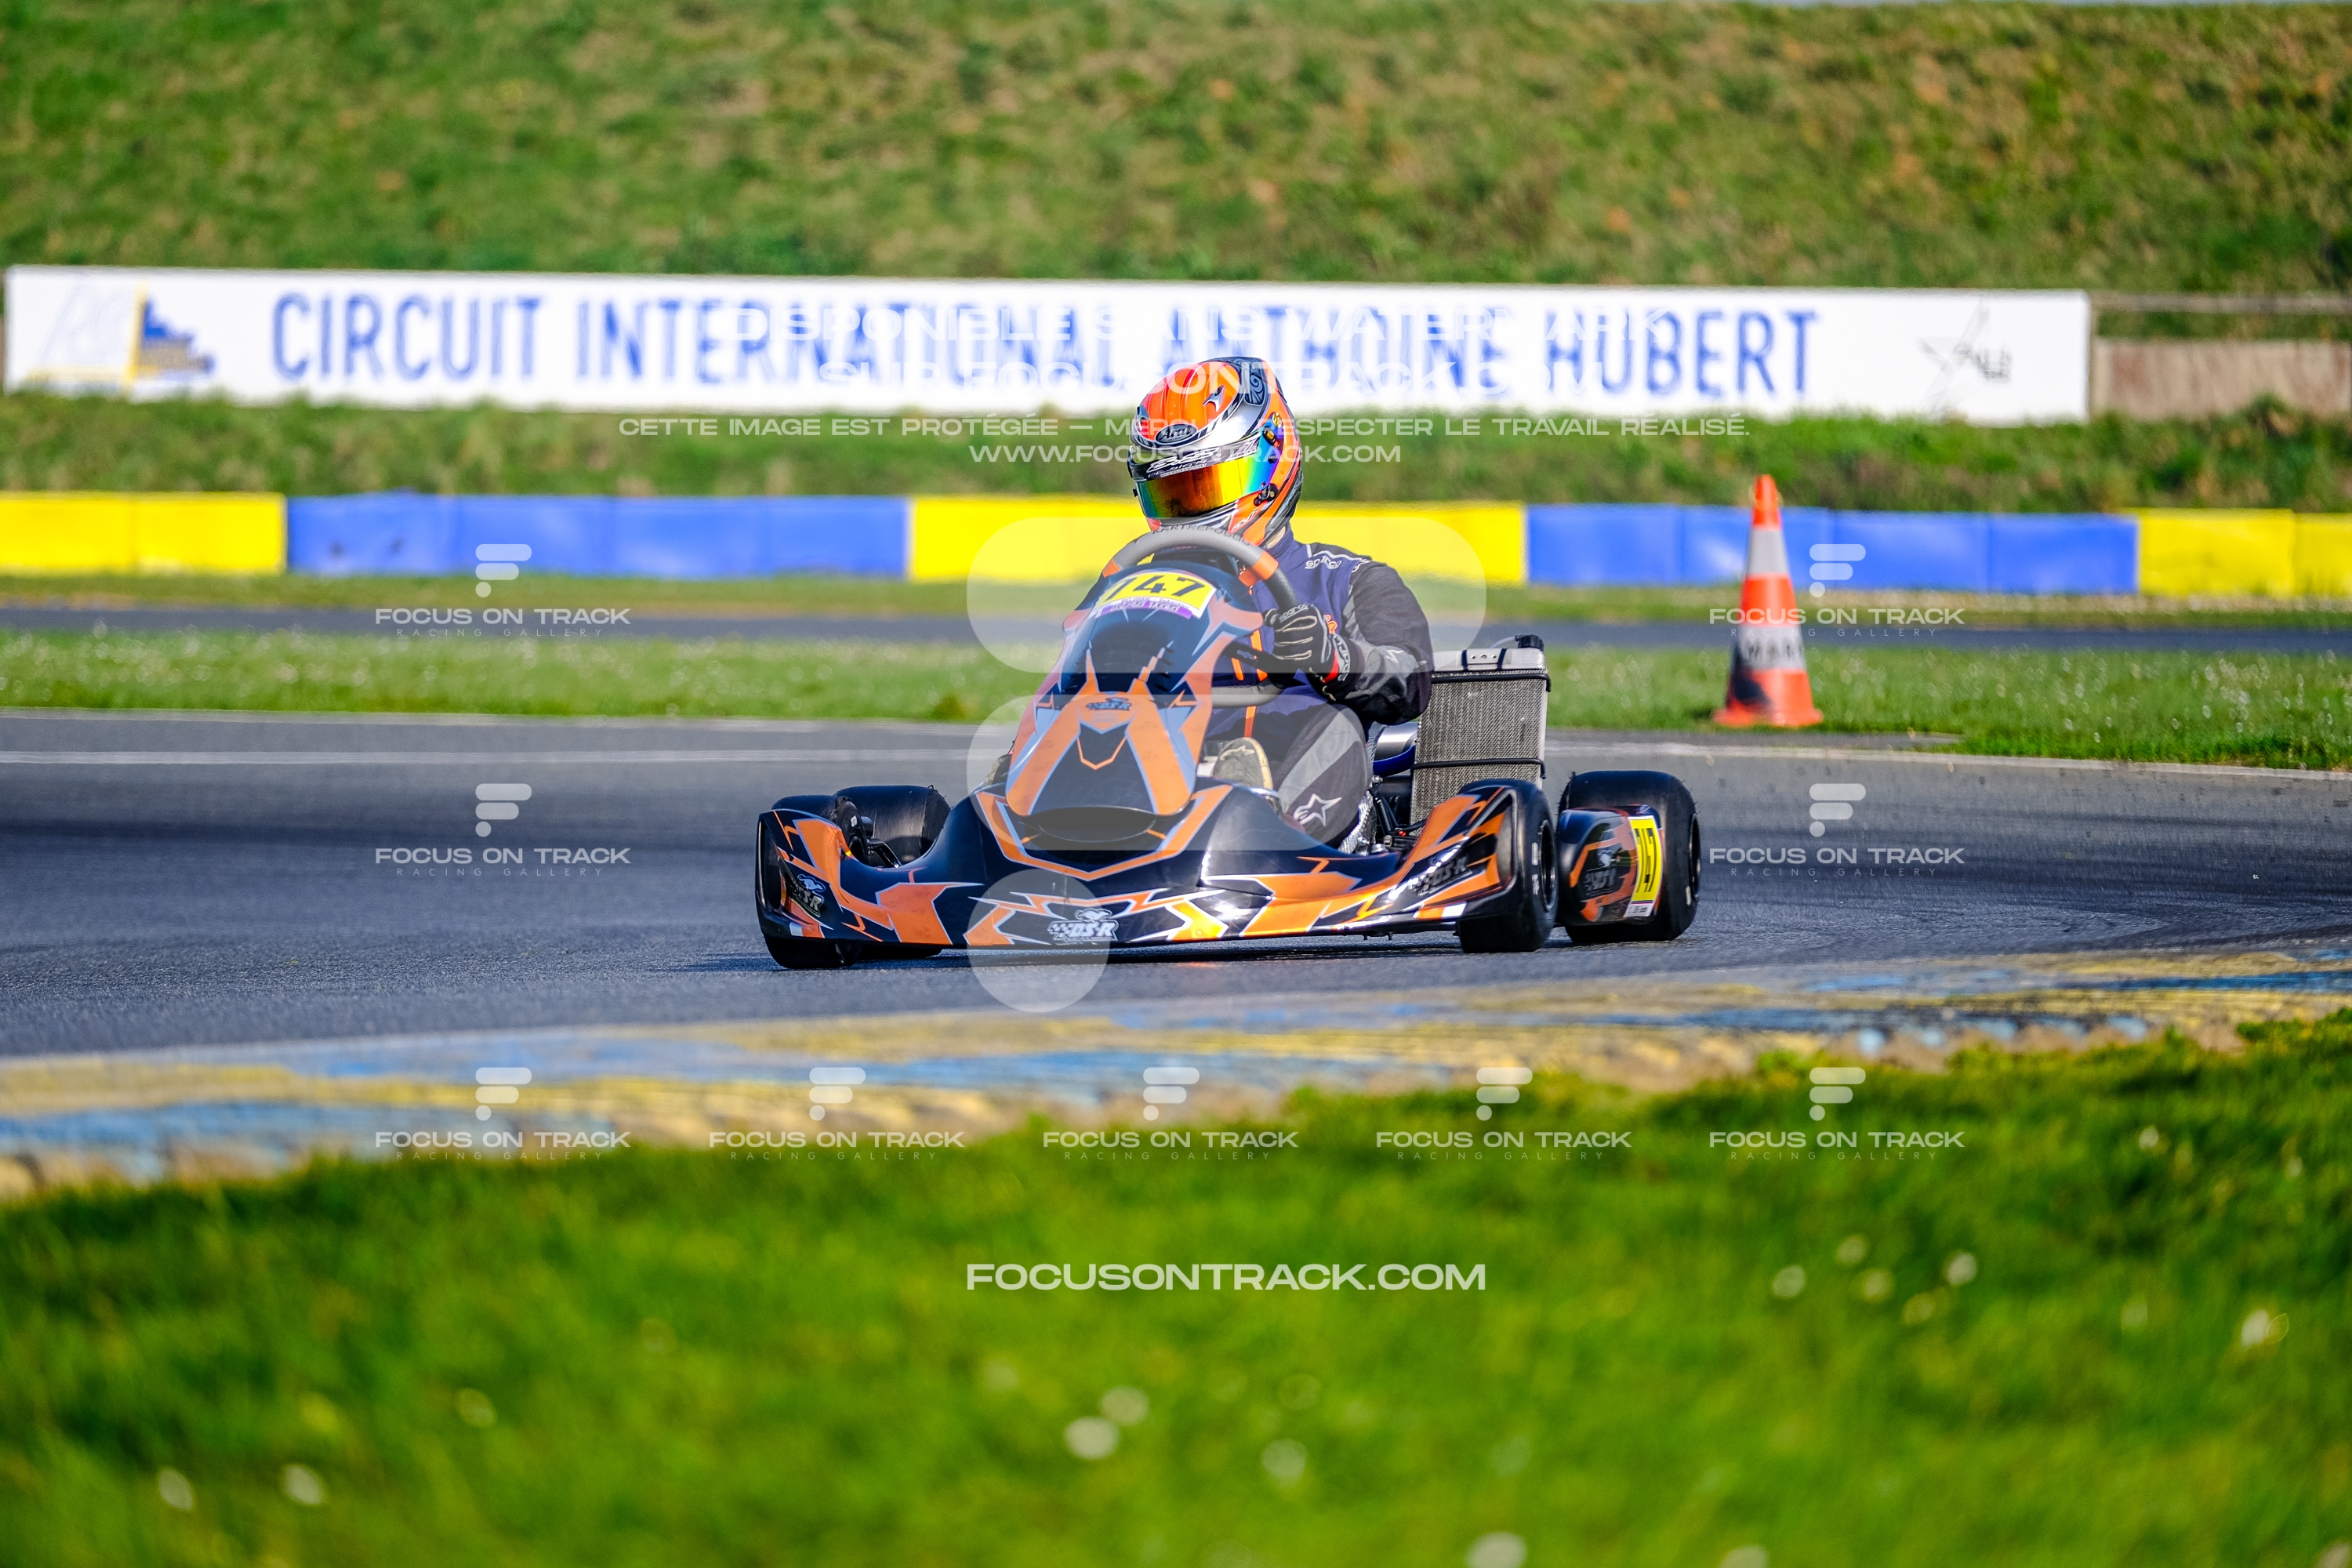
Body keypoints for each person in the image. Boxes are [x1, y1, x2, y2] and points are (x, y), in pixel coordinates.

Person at [1115, 354, 1432, 843]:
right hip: (1159, 780)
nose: (1191, 510)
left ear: (1270, 463)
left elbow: (1411, 679)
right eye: (1173, 494)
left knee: (1332, 720)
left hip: (1292, 795)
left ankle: (1260, 828)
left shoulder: (1348, 580)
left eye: (1207, 486)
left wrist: (1334, 658)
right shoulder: (1139, 590)